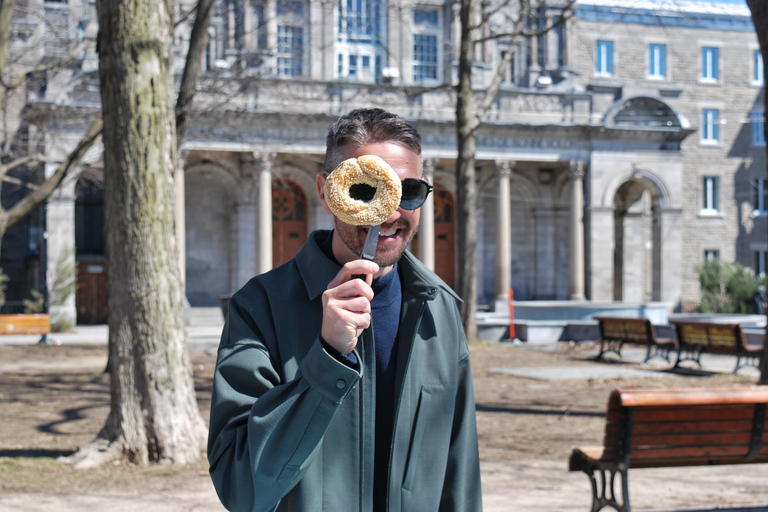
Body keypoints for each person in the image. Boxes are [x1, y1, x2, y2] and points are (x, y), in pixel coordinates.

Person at [207, 108, 483, 512]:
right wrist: (328, 357)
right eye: (366, 190)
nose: (388, 214)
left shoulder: (438, 309)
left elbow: (459, 474)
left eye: (408, 192)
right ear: (325, 191)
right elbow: (241, 487)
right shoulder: (259, 308)